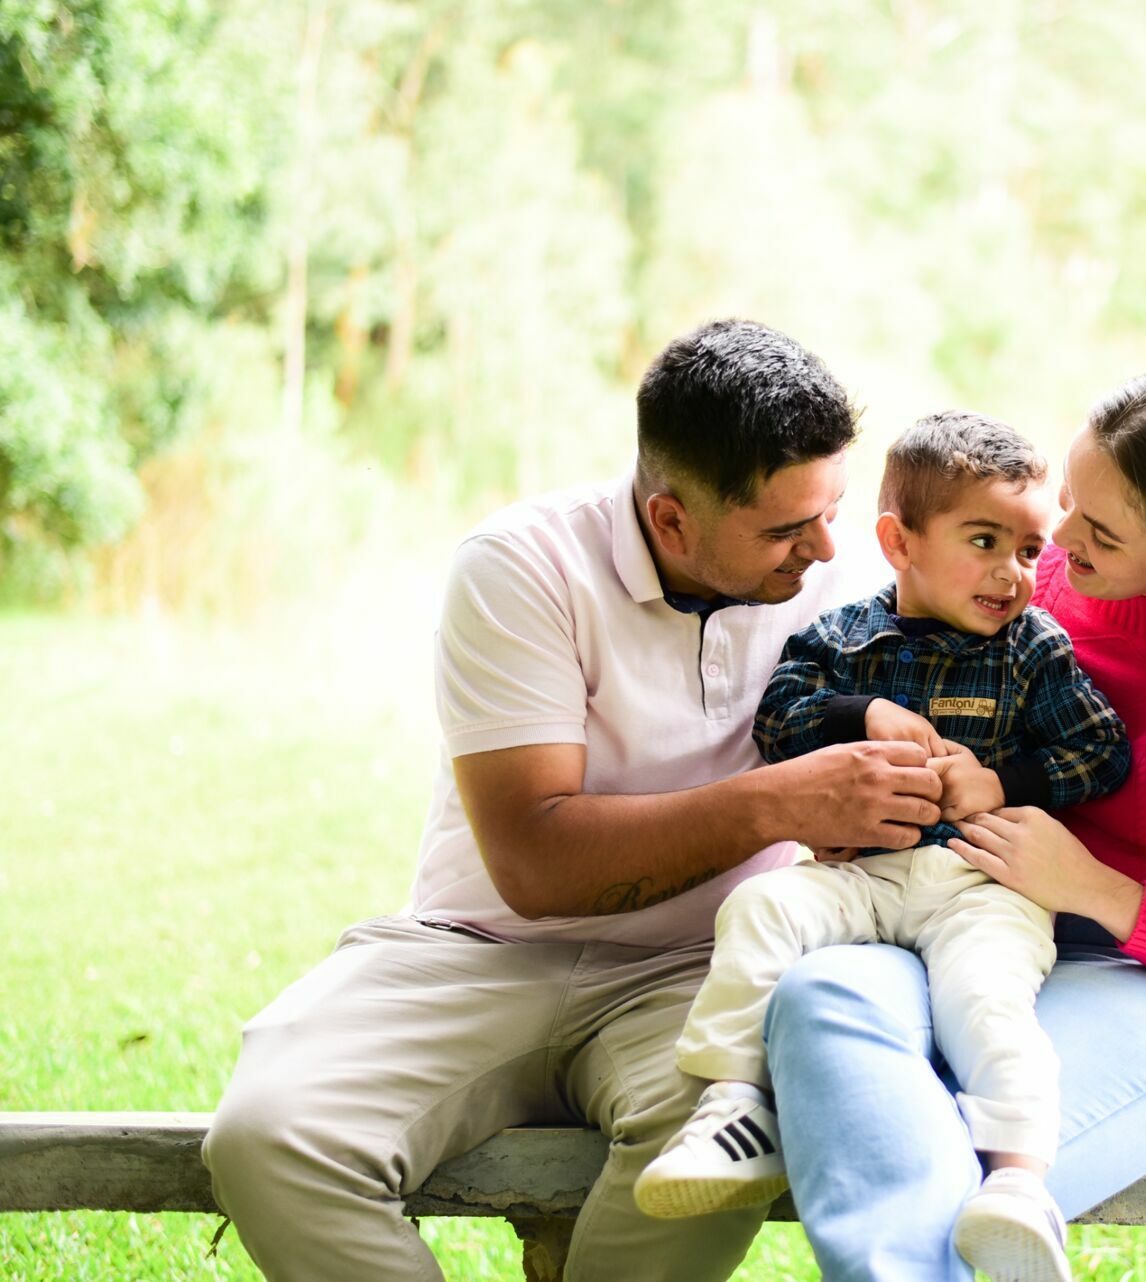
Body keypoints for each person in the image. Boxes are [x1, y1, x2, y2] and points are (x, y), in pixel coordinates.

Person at [199, 319, 948, 1282]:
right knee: (270, 1137)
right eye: (782, 528)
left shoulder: (843, 576)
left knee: (725, 1137)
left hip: (701, 972)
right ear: (671, 519)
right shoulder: (522, 567)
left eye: (832, 506)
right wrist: (778, 805)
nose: (824, 545)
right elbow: (534, 863)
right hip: (475, 952)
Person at [760, 367, 1146, 1282]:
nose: (1056, 540)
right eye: (1070, 499)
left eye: (1100, 531)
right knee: (816, 1001)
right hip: (947, 920)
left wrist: (1096, 890)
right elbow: (881, 662)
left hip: (1138, 986)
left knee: (967, 1172)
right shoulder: (1024, 584)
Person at [636, 411, 1129, 1282]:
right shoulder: (845, 640)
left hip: (980, 880)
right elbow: (779, 714)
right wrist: (859, 715)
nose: (1012, 573)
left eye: (1027, 549)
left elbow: (1100, 751)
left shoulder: (1032, 651)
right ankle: (734, 1103)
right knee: (760, 907)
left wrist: (1003, 781)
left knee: (987, 996)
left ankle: (1017, 1185)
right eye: (984, 541)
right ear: (899, 541)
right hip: (858, 874)